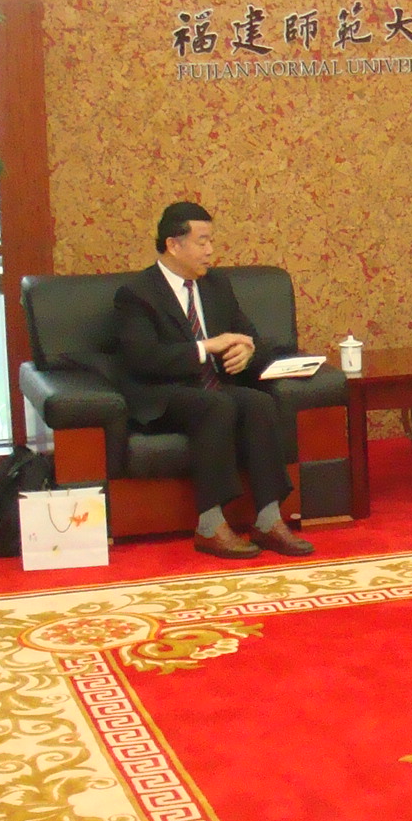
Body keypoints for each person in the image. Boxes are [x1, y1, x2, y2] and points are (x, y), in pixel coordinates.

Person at [113, 201, 314, 559]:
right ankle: (210, 525)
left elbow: (247, 335)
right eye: (202, 241)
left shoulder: (216, 285)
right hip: (162, 395)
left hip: (213, 390)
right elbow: (143, 359)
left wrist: (246, 350)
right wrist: (205, 348)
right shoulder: (137, 294)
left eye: (211, 241)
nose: (210, 251)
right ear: (173, 245)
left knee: (259, 403)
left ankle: (268, 519)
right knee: (216, 404)